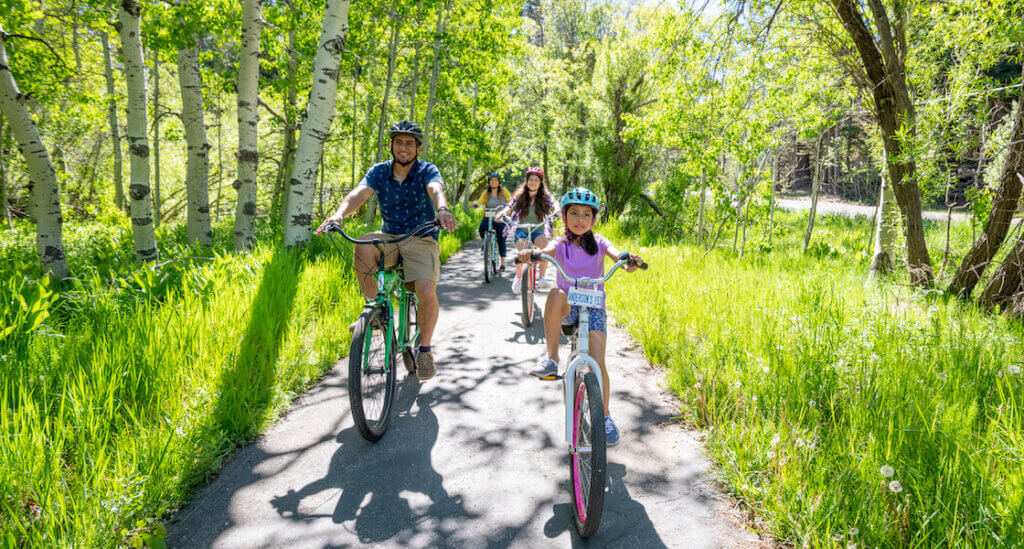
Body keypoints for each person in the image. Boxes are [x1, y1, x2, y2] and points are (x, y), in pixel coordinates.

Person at [315, 120, 458, 381]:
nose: (404, 148)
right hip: (390, 235)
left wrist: (443, 209)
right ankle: (376, 313)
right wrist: (338, 215)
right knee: (364, 245)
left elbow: (435, 189)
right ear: (391, 145)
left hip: (421, 236)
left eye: (410, 143)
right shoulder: (380, 171)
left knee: (426, 289)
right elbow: (359, 193)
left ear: (418, 148)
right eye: (399, 142)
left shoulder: (427, 170)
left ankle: (424, 349)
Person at [518, 187, 644, 446]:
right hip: (568, 307)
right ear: (564, 217)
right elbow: (548, 250)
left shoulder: (599, 242)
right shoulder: (561, 243)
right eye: (573, 213)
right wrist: (533, 254)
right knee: (554, 293)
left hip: (594, 308)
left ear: (593, 219)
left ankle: (606, 416)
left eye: (586, 214)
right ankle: (551, 358)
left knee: (598, 362)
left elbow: (616, 254)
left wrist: (628, 260)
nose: (579, 219)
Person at [497, 167, 559, 293]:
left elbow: (554, 203)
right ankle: (519, 277)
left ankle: (541, 278)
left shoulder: (545, 197)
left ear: (540, 182)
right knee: (523, 252)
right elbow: (510, 206)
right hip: (522, 230)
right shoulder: (520, 196)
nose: (533, 182)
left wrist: (558, 210)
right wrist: (503, 213)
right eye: (530, 179)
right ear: (526, 181)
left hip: (538, 230)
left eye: (536, 180)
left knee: (545, 248)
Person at [470, 172, 512, 271]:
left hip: (500, 217)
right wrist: (474, 205)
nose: (493, 182)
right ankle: (485, 242)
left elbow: (510, 200)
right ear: (489, 182)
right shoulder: (486, 193)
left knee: (501, 239)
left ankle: (502, 263)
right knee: (481, 228)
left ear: (498, 182)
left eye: (495, 180)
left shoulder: (504, 191)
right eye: (492, 180)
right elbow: (480, 202)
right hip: (489, 216)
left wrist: (508, 206)